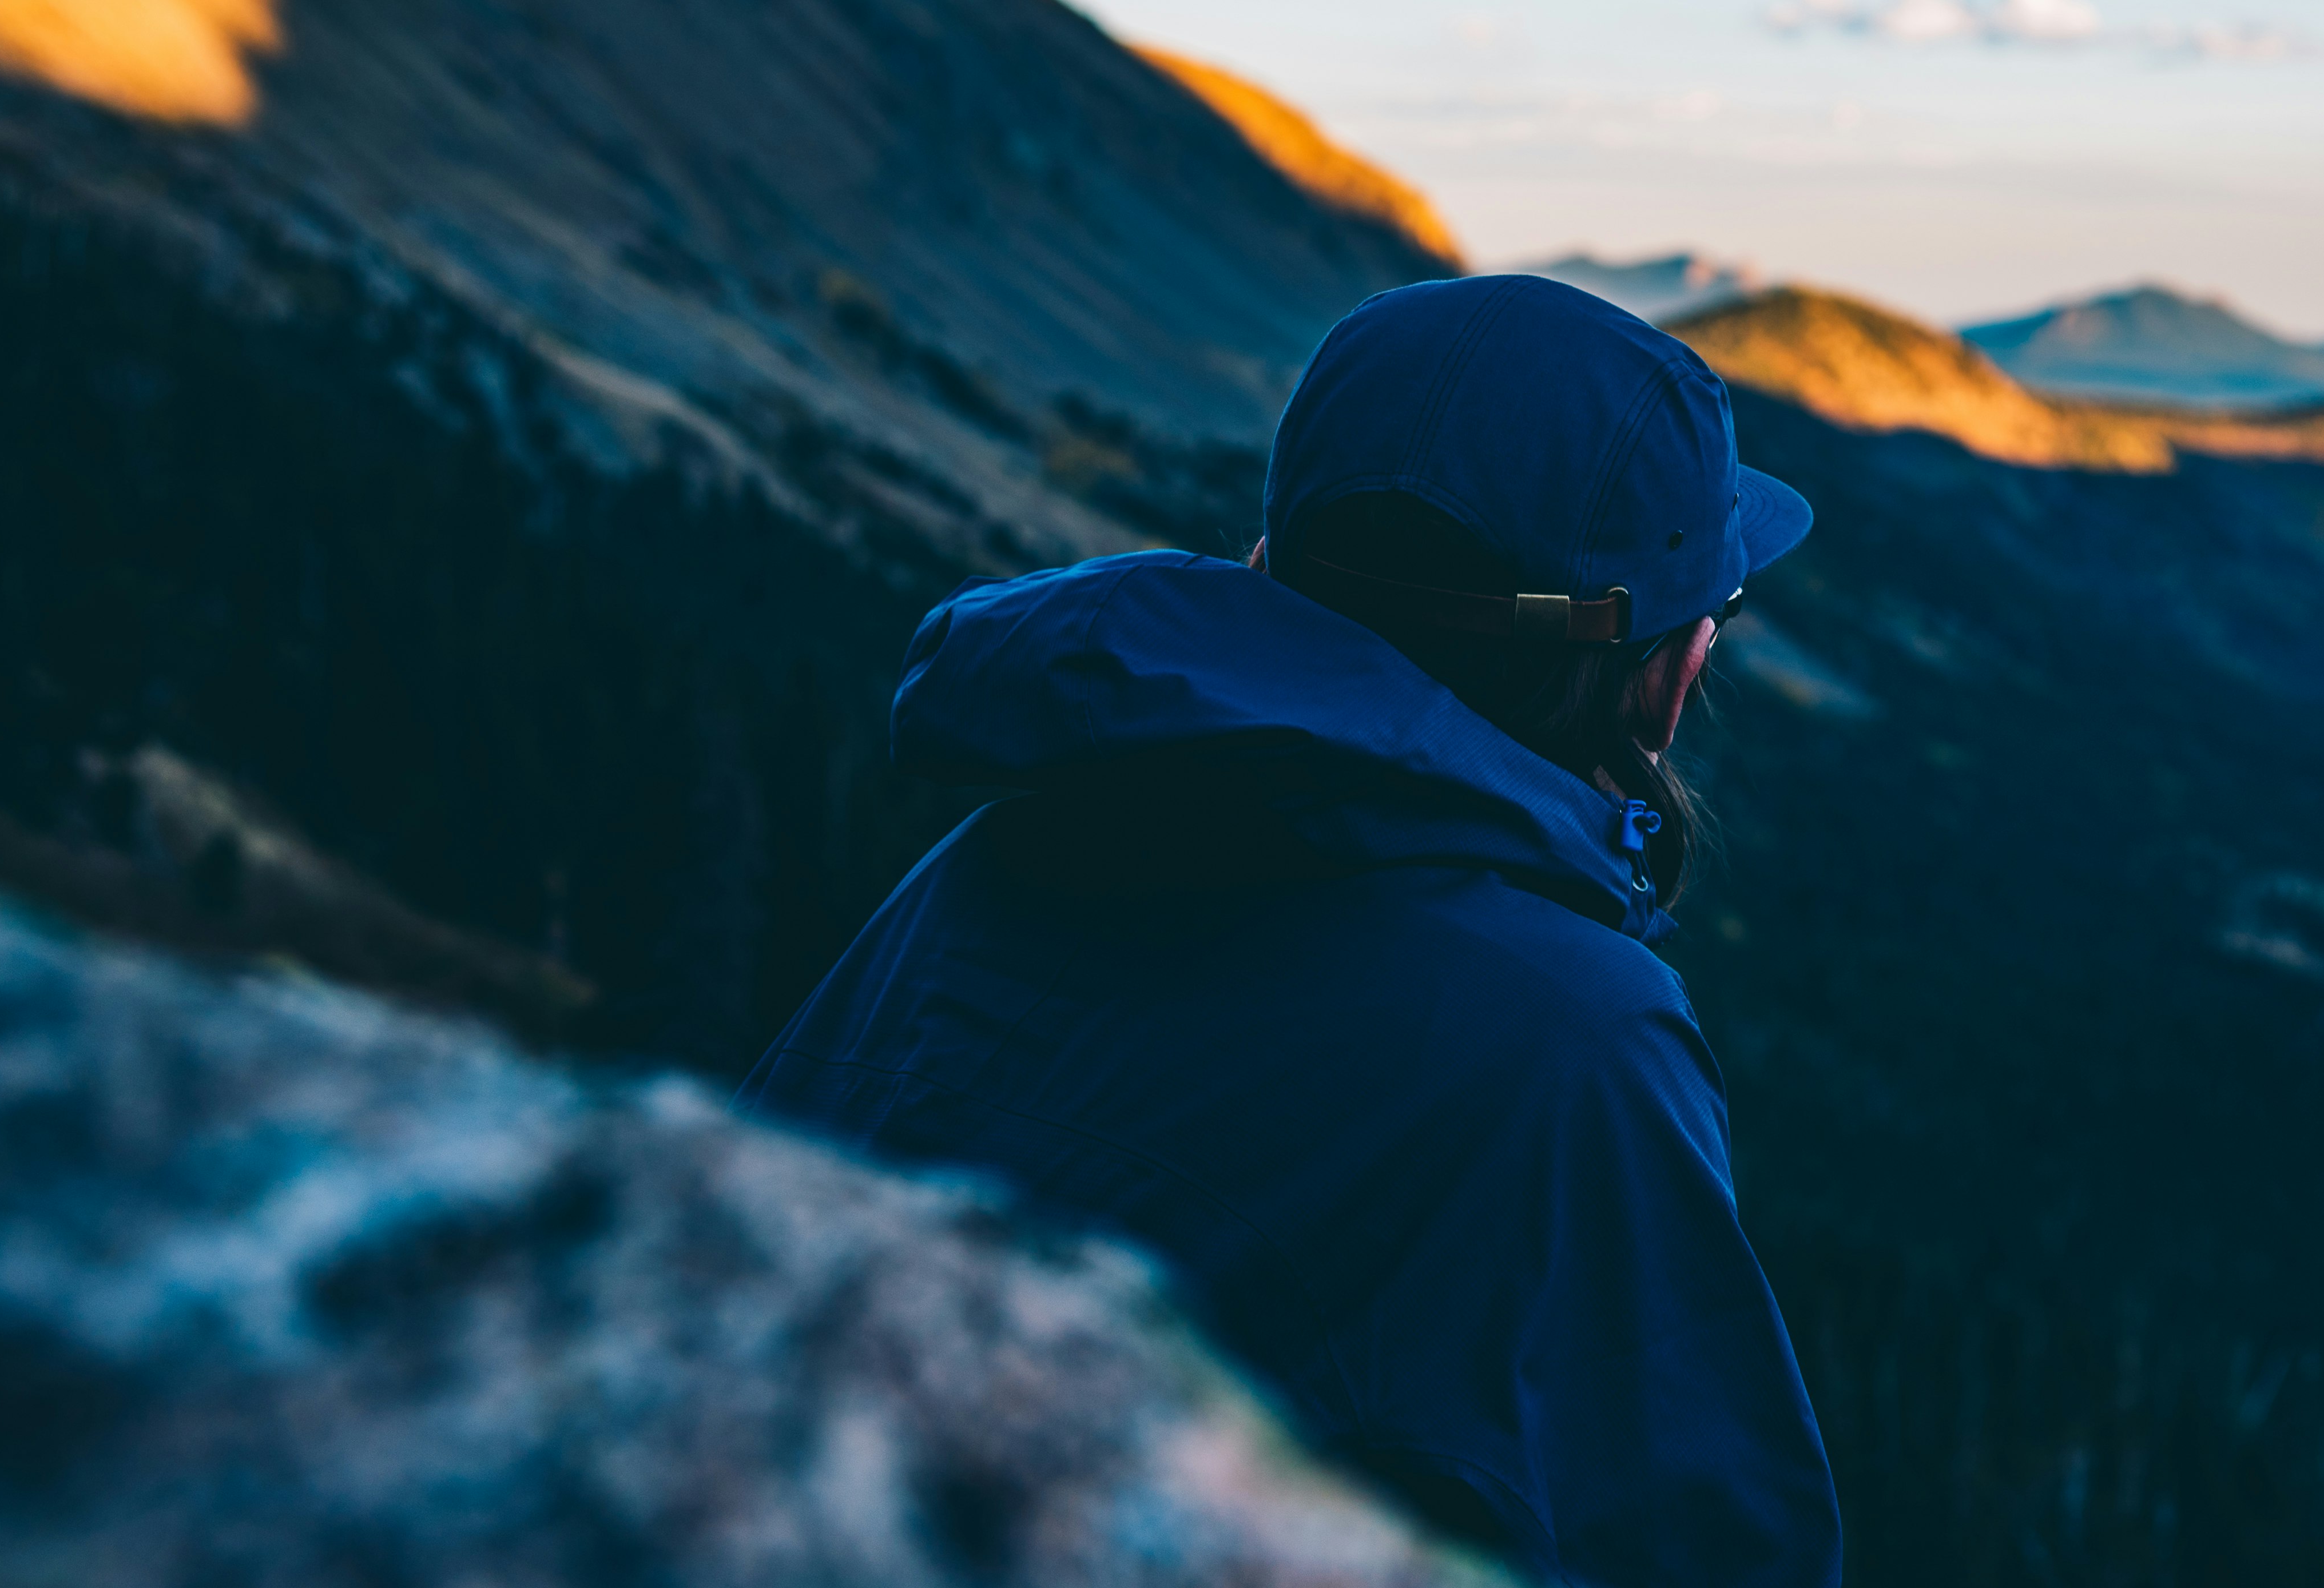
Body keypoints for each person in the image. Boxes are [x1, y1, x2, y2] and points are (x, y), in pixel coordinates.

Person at [738, 274, 1842, 1585]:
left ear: (1272, 570)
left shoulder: (995, 859)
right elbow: (1709, 1553)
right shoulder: (1576, 1039)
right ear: (1666, 681)